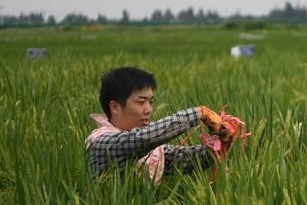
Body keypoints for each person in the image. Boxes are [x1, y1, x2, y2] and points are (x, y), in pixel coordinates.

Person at [86, 67, 230, 182]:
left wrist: (220, 144)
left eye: (151, 102)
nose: (148, 110)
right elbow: (141, 139)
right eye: (141, 102)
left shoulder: (154, 152)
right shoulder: (102, 142)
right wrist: (199, 113)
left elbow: (184, 160)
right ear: (115, 107)